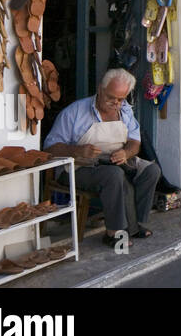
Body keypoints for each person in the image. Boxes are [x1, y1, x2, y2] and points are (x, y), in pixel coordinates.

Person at [44, 68, 161, 247]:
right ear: (100, 89)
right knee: (113, 175)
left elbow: (134, 142)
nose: (115, 103)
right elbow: (50, 148)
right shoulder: (74, 113)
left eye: (120, 99)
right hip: (77, 167)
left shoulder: (125, 111)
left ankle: (135, 224)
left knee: (151, 170)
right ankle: (113, 233)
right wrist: (77, 151)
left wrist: (126, 153)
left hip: (114, 162)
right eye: (110, 97)